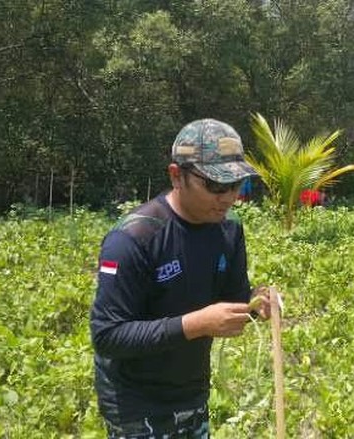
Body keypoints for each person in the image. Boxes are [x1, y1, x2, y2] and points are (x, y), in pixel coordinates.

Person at [89, 119, 271, 439]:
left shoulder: (229, 231)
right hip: (137, 402)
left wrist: (257, 304)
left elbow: (234, 300)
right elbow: (108, 335)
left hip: (192, 392)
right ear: (177, 176)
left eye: (236, 184)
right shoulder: (134, 238)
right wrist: (195, 324)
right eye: (215, 185)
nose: (228, 197)